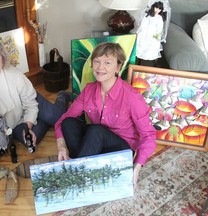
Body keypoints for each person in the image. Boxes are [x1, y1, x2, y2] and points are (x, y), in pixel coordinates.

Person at [54, 42, 156, 189]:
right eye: (97, 61)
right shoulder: (89, 90)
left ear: (118, 67)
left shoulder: (132, 97)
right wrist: (61, 146)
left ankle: (75, 177)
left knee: (96, 130)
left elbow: (149, 136)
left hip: (120, 149)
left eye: (107, 62)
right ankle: (86, 165)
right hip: (95, 142)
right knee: (68, 123)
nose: (100, 67)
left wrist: (136, 167)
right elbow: (62, 120)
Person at [0, 36, 70, 156]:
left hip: (29, 102)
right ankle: (45, 118)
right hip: (10, 123)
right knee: (32, 140)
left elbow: (30, 104)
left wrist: (28, 126)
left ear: (2, 57)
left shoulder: (14, 74)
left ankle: (62, 96)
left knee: (60, 119)